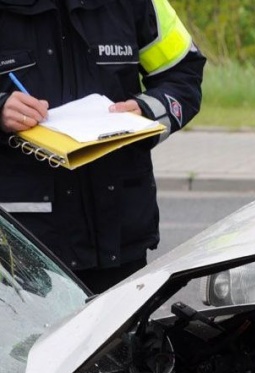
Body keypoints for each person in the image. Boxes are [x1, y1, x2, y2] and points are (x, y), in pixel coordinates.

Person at [0, 0, 205, 293]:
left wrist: (146, 111)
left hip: (119, 241)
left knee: (124, 341)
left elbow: (183, 72)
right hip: (23, 253)